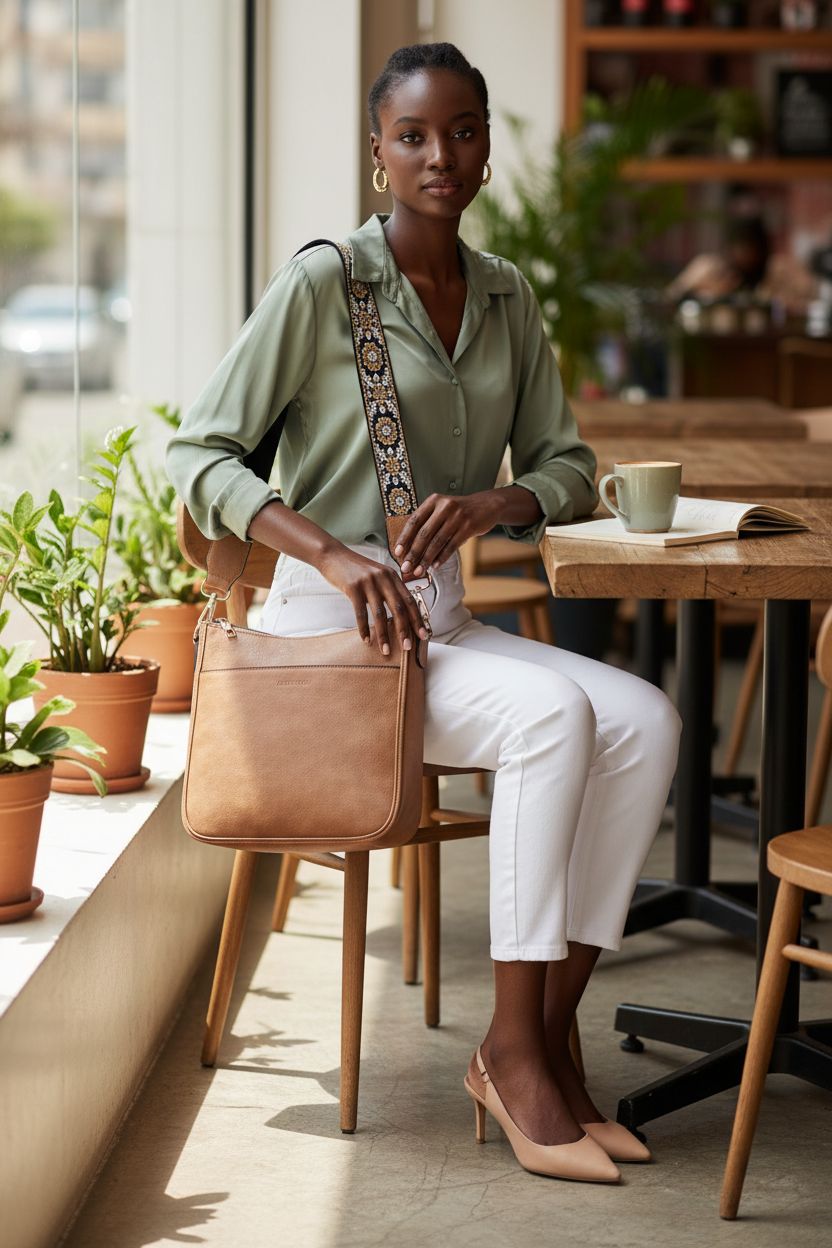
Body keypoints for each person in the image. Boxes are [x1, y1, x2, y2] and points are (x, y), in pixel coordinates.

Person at [167, 42, 681, 1184]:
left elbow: (568, 464)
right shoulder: (323, 286)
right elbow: (196, 454)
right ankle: (507, 1053)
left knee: (646, 718)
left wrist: (500, 498)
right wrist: (330, 555)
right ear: (377, 155)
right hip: (332, 636)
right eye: (412, 136)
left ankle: (548, 1034)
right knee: (550, 714)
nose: (437, 156)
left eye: (460, 132)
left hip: (439, 626)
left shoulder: (506, 295)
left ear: (487, 147)